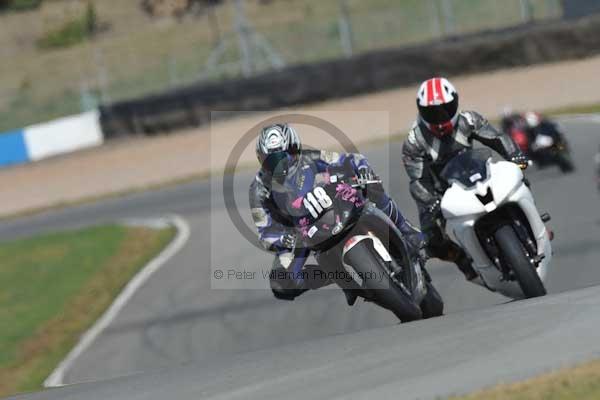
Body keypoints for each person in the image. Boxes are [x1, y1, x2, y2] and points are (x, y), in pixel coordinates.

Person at [250, 123, 425, 301]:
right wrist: (283, 239)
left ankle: (405, 229)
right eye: (273, 161)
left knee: (372, 186)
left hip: (330, 205)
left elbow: (351, 159)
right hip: (297, 233)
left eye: (286, 155)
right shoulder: (258, 190)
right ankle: (336, 276)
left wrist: (362, 170)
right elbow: (265, 232)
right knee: (281, 283)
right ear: (261, 160)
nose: (282, 165)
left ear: (296, 149)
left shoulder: (311, 158)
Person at [402, 77, 528, 280]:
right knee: (431, 238)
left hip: (478, 174)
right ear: (421, 111)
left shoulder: (469, 120)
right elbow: (417, 181)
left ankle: (531, 223)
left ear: (456, 103)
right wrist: (430, 201)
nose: (440, 118)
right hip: (441, 192)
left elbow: (497, 138)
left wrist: (514, 155)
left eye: (445, 109)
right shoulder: (415, 142)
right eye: (432, 113)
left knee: (519, 177)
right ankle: (462, 260)